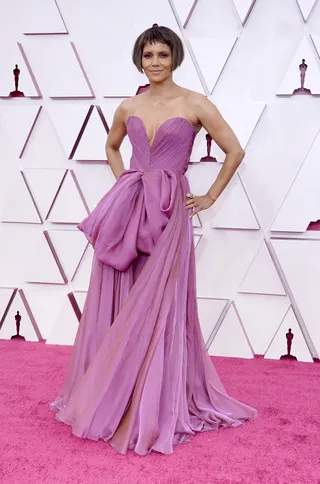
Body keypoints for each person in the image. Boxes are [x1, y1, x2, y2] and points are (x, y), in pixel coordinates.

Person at [49, 24, 257, 456]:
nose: (155, 62)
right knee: (122, 297)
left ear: (174, 57)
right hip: (131, 210)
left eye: (162, 55)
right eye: (148, 56)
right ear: (139, 59)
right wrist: (127, 184)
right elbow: (112, 147)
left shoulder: (195, 103)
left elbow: (234, 149)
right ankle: (117, 395)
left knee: (160, 301)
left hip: (169, 214)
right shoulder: (129, 105)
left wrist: (210, 195)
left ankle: (153, 399)